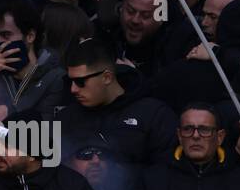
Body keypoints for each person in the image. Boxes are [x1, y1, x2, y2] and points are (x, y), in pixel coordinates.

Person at [58, 36, 177, 169]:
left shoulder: (154, 115)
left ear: (107, 77)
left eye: (80, 82)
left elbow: (168, 173)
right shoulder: (66, 119)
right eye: (70, 81)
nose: (73, 89)